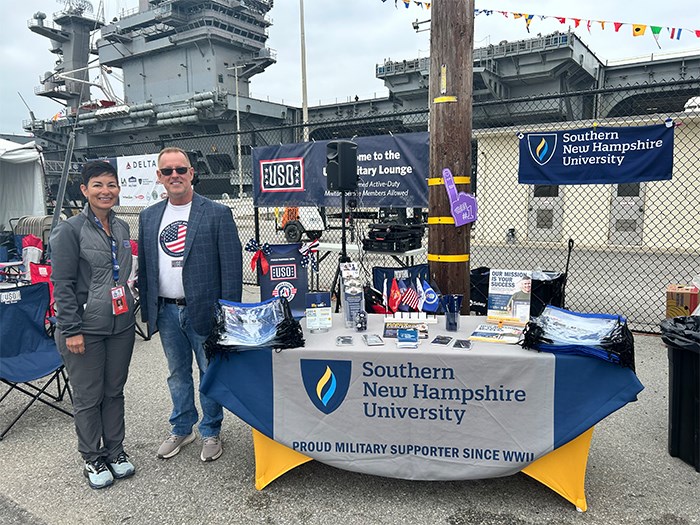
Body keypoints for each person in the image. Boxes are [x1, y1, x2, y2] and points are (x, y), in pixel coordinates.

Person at [138, 147, 242, 463]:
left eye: (180, 170)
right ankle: (182, 427)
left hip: (205, 309)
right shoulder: (149, 216)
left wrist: (228, 314)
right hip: (167, 311)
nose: (174, 176)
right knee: (177, 373)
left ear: (191, 173)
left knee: (208, 371)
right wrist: (149, 313)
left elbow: (232, 269)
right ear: (159, 176)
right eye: (167, 171)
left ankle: (210, 430)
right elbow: (145, 266)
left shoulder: (217, 213)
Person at [50, 160, 136, 490]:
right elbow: (62, 284)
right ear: (85, 190)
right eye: (98, 185)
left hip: (121, 326)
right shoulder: (69, 231)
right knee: (88, 397)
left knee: (114, 391)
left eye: (111, 185)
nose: (105, 191)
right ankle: (92, 456)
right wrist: (70, 329)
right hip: (85, 328)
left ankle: (115, 450)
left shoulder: (123, 227)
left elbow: (124, 273)